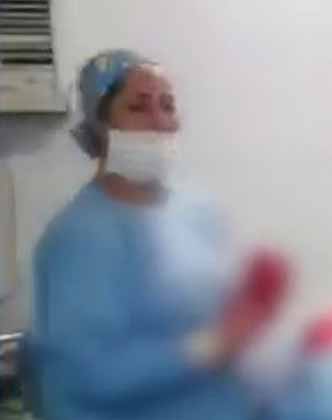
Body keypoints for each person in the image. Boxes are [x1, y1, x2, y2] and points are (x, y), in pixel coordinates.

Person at [29, 50, 286, 420]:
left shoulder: (196, 210)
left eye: (168, 106)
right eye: (138, 107)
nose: (160, 121)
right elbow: (90, 373)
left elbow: (221, 319)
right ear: (100, 126)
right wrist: (212, 347)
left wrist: (250, 317)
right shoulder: (79, 239)